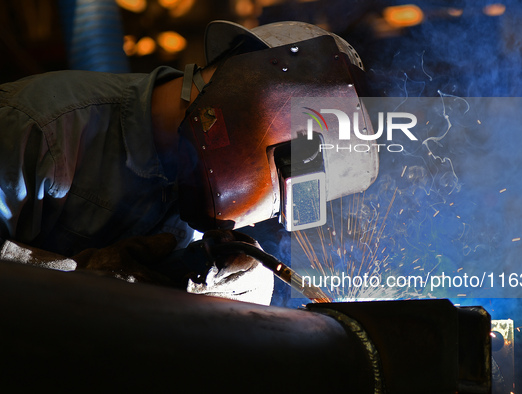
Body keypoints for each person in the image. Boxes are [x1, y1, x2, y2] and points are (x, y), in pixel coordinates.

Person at [0, 20, 372, 306]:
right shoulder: (42, 124)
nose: (257, 218)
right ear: (255, 89)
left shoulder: (199, 186)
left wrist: (235, 290)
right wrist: (89, 284)